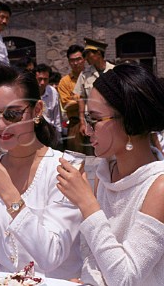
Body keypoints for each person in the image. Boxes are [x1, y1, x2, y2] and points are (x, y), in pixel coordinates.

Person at [0, 63, 82, 279]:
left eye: (12, 114)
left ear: (37, 111)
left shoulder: (64, 170)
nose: (1, 125)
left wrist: (10, 196)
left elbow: (51, 256)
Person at [57, 63, 164, 285]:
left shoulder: (158, 187)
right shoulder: (105, 172)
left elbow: (126, 278)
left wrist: (88, 205)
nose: (86, 130)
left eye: (94, 119)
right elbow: (91, 254)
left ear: (129, 121)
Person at [74, 38, 114, 154]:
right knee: (92, 154)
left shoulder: (114, 70)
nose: (86, 58)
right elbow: (81, 98)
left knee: (110, 151)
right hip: (91, 121)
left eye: (88, 54)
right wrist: (82, 122)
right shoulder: (84, 75)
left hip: (110, 120)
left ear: (98, 53)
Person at [58, 45, 87, 153]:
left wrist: (76, 98)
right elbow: (66, 104)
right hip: (75, 123)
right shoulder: (65, 81)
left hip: (94, 122)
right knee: (76, 158)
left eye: (78, 59)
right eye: (72, 60)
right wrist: (84, 99)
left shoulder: (91, 77)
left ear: (84, 59)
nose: (75, 63)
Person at [35, 63, 62, 146]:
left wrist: (59, 136)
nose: (42, 82)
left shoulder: (53, 92)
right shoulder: (28, 92)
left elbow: (57, 115)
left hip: (49, 131)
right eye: (40, 79)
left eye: (45, 79)